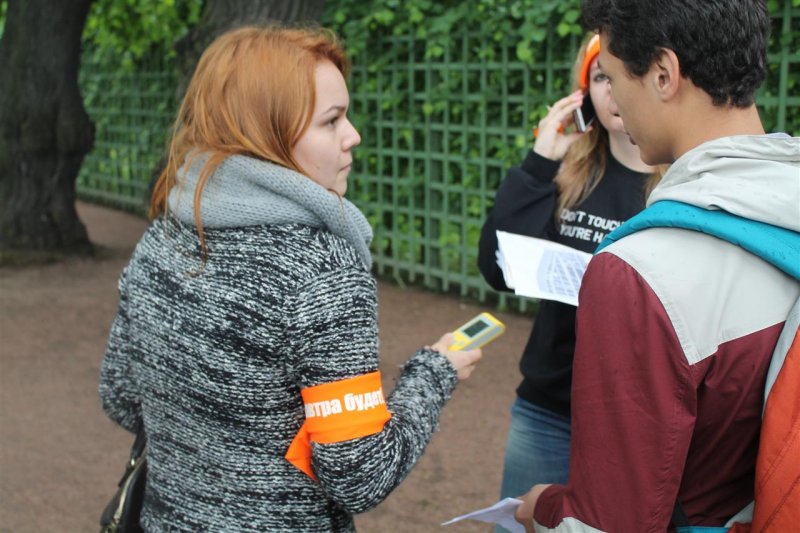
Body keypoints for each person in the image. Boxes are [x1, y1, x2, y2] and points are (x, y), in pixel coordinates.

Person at [99, 26, 482, 532]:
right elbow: (360, 475)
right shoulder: (322, 271)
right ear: (268, 135)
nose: (353, 135)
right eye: (332, 120)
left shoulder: (164, 236)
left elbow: (121, 395)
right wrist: (433, 373)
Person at [514, 0, 800, 531]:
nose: (614, 102)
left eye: (614, 76)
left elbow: (608, 523)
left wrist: (545, 507)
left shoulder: (640, 271)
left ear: (663, 74)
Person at [477, 32, 661, 510]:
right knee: (521, 521)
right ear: (583, 95)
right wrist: (541, 160)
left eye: (626, 72)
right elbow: (497, 266)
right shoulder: (566, 177)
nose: (614, 90)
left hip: (633, 421)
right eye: (601, 77)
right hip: (547, 410)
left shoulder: (679, 186)